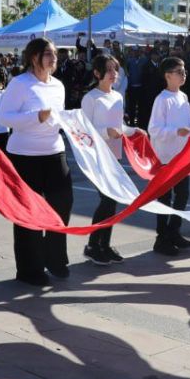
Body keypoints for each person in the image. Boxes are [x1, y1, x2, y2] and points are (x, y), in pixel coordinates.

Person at [0, 38, 72, 286]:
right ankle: (30, 269)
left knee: (62, 203)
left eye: (55, 54)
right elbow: (4, 117)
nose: (54, 58)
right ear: (34, 58)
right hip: (24, 156)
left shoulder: (59, 86)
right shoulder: (20, 84)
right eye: (48, 54)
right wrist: (36, 117)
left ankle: (55, 258)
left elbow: (59, 117)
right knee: (27, 213)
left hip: (54, 152)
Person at [80, 54, 129, 266]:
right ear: (97, 73)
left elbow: (120, 126)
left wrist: (136, 131)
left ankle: (104, 244)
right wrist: (107, 132)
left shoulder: (117, 97)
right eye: (108, 69)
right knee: (106, 200)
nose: (113, 73)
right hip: (97, 157)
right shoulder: (91, 98)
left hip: (115, 156)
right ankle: (93, 245)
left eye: (115, 69)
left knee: (112, 202)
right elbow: (83, 131)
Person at [148, 57, 190, 255]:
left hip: (182, 156)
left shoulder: (183, 97)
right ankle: (161, 238)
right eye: (179, 71)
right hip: (166, 157)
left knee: (183, 195)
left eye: (184, 70)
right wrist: (177, 131)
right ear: (168, 76)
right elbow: (154, 129)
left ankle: (174, 231)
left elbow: (187, 122)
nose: (183, 74)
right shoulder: (162, 100)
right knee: (164, 198)